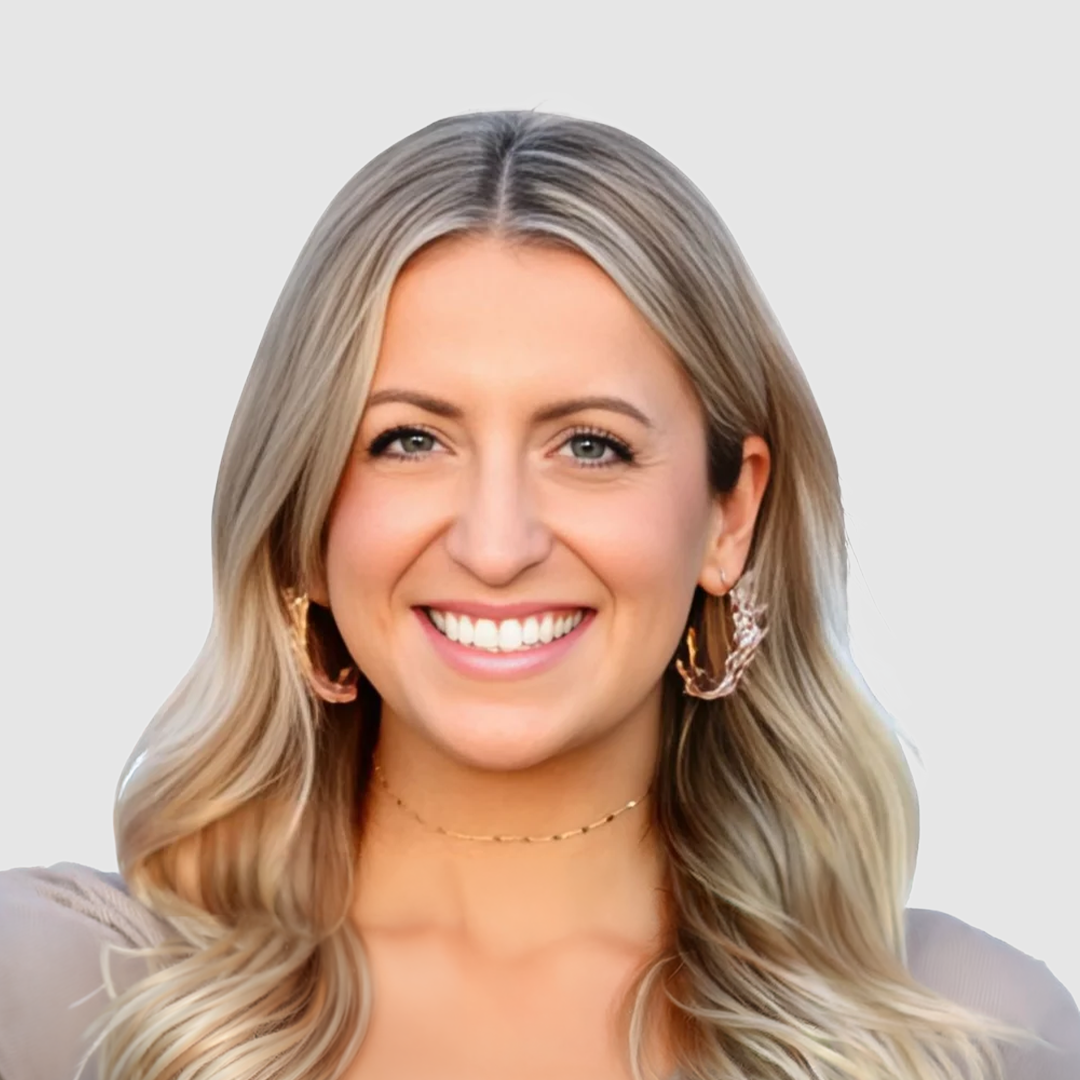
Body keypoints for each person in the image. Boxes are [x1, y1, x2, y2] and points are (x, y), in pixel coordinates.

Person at [0, 110, 1076, 1080]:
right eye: (409, 440)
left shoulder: (960, 1034)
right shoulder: (66, 994)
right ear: (306, 517)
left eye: (592, 445)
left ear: (729, 516)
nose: (497, 543)